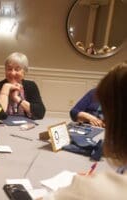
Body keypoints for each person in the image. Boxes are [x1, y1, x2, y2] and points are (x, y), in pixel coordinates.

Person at [43, 61, 127, 200]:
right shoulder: (91, 93)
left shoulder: (92, 189)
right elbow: (74, 111)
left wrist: (83, 189)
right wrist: (87, 116)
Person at [0, 52, 45, 120]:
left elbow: (40, 113)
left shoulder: (31, 86)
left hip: (26, 127)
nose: (12, 73)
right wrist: (6, 88)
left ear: (24, 71)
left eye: (17, 69)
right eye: (9, 69)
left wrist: (17, 98)